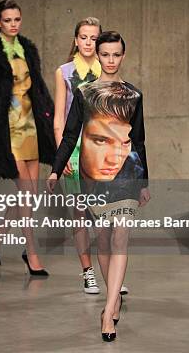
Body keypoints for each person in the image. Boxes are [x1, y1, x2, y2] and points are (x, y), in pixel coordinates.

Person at [47, 31, 150, 342]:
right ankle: (113, 295)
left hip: (127, 174)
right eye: (105, 54)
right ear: (99, 55)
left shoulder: (134, 95)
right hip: (94, 175)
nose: (110, 60)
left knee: (120, 238)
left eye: (115, 54)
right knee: (103, 241)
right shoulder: (84, 93)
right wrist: (55, 170)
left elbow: (140, 140)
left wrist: (144, 182)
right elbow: (70, 135)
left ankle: (108, 309)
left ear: (122, 56)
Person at [0, 0, 56, 274]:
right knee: (27, 195)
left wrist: (52, 122)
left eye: (17, 19)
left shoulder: (28, 50)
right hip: (7, 131)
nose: (13, 24)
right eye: (7, 20)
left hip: (31, 127)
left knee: (28, 196)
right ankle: (31, 254)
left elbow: (40, 90)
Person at [54, 18, 130, 295]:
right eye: (83, 37)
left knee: (107, 215)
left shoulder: (108, 69)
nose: (88, 42)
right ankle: (88, 272)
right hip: (74, 151)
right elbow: (59, 119)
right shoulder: (64, 72)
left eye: (93, 37)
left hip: (104, 151)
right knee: (80, 214)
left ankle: (112, 274)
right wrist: (60, 160)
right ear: (76, 40)